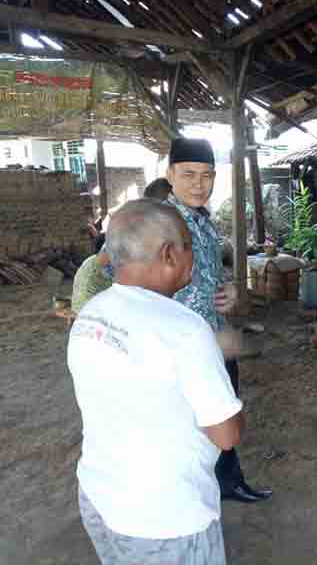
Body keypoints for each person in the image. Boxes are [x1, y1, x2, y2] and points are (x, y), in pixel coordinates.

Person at [67, 199, 243, 565]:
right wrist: (222, 364)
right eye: (188, 246)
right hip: (165, 518)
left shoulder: (90, 315)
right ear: (168, 254)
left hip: (100, 497)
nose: (193, 255)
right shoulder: (187, 331)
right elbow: (226, 436)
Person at [166, 137, 272, 503]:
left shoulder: (203, 221)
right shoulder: (159, 222)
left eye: (207, 175)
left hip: (215, 341)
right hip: (181, 351)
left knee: (221, 411)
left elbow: (211, 273)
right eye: (189, 174)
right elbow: (117, 272)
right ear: (169, 175)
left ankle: (226, 481)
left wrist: (229, 291)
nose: (199, 183)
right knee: (191, 428)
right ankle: (195, 495)